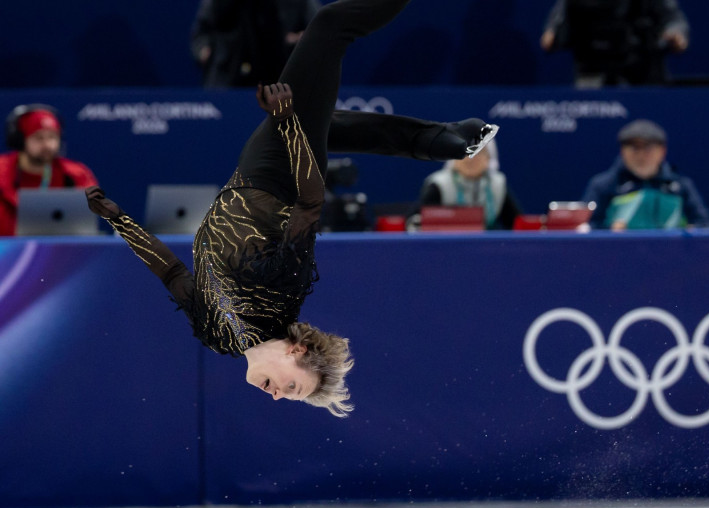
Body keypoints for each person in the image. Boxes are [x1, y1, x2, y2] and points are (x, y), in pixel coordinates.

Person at [87, 0, 499, 417]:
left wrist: (117, 219)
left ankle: (444, 141)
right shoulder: (284, 290)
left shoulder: (217, 336)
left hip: (251, 169)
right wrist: (286, 124)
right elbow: (310, 200)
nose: (278, 394)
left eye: (286, 396)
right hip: (282, 171)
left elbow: (172, 271)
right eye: (292, 386)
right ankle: (440, 140)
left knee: (324, 123)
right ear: (297, 350)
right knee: (330, 24)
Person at [581, 119, 709, 230]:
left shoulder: (681, 185)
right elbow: (587, 228)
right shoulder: (603, 185)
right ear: (622, 151)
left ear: (662, 151)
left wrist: (691, 233)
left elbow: (705, 226)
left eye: (648, 148)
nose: (641, 155)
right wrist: (610, 231)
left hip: (672, 256)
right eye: (634, 148)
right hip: (619, 256)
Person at [540, 0, 689, 87]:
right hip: (593, 72)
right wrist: (552, 32)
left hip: (643, 73)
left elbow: (673, 20)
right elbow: (557, 24)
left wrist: (676, 34)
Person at [0, 104, 99, 236]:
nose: (47, 145)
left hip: (60, 253)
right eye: (38, 138)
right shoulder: (2, 171)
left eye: (52, 137)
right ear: (19, 140)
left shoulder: (76, 175)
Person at [191, 0, 321, 88]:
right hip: (227, 78)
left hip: (280, 79)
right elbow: (201, 34)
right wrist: (204, 51)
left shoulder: (299, 3)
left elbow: (321, 32)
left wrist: (298, 40)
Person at [408, 140, 522, 230]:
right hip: (447, 249)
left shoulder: (498, 185)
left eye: (478, 153)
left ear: (489, 158)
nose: (470, 160)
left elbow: (516, 224)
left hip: (486, 249)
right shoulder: (439, 185)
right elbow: (414, 222)